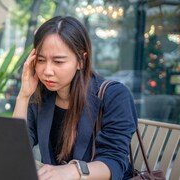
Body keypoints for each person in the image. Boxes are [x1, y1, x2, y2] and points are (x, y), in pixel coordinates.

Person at [13, 16, 137, 180]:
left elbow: (114, 162)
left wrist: (72, 171)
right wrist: (23, 96)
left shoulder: (114, 96)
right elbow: (15, 150)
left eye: (58, 61)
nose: (47, 71)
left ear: (81, 61)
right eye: (41, 60)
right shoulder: (42, 96)